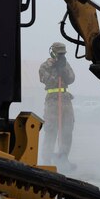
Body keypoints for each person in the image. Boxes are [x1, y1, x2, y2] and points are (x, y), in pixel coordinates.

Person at [39, 42, 76, 170]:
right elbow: (47, 80)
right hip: (52, 101)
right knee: (51, 130)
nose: (61, 56)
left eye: (63, 53)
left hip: (65, 99)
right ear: (53, 52)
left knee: (67, 130)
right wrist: (56, 71)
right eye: (59, 53)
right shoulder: (45, 66)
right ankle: (47, 161)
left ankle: (63, 158)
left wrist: (63, 68)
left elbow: (71, 79)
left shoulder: (65, 64)